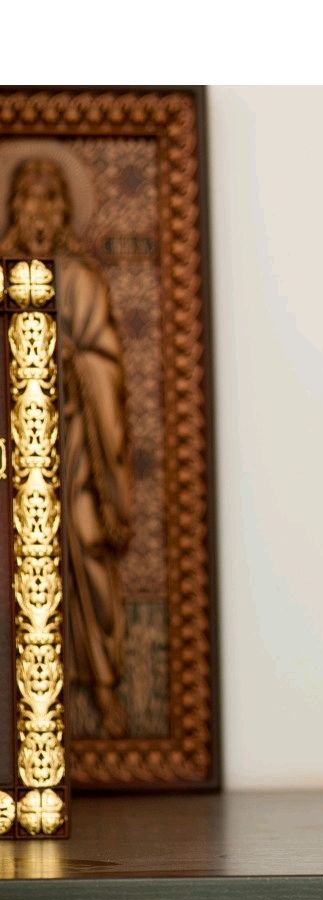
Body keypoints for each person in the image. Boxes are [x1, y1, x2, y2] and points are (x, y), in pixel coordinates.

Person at [1, 156, 132, 737]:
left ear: (63, 210)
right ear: (14, 208)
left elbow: (107, 363)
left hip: (75, 446)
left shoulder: (82, 279)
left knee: (85, 540)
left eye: (50, 201)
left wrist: (76, 361)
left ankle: (104, 691)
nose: (39, 213)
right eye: (29, 200)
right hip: (10, 449)